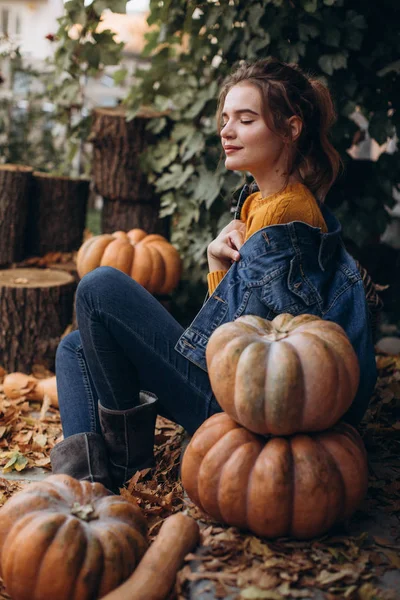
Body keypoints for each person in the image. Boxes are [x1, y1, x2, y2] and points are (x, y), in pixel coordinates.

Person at [50, 58, 377, 493]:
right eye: (225, 119)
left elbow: (261, 354)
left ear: (291, 128)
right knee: (75, 347)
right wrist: (218, 265)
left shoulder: (284, 215)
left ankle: (109, 477)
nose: (227, 131)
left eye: (246, 119)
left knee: (98, 287)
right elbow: (247, 323)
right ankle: (90, 487)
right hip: (237, 393)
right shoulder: (263, 203)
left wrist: (216, 268)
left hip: (246, 416)